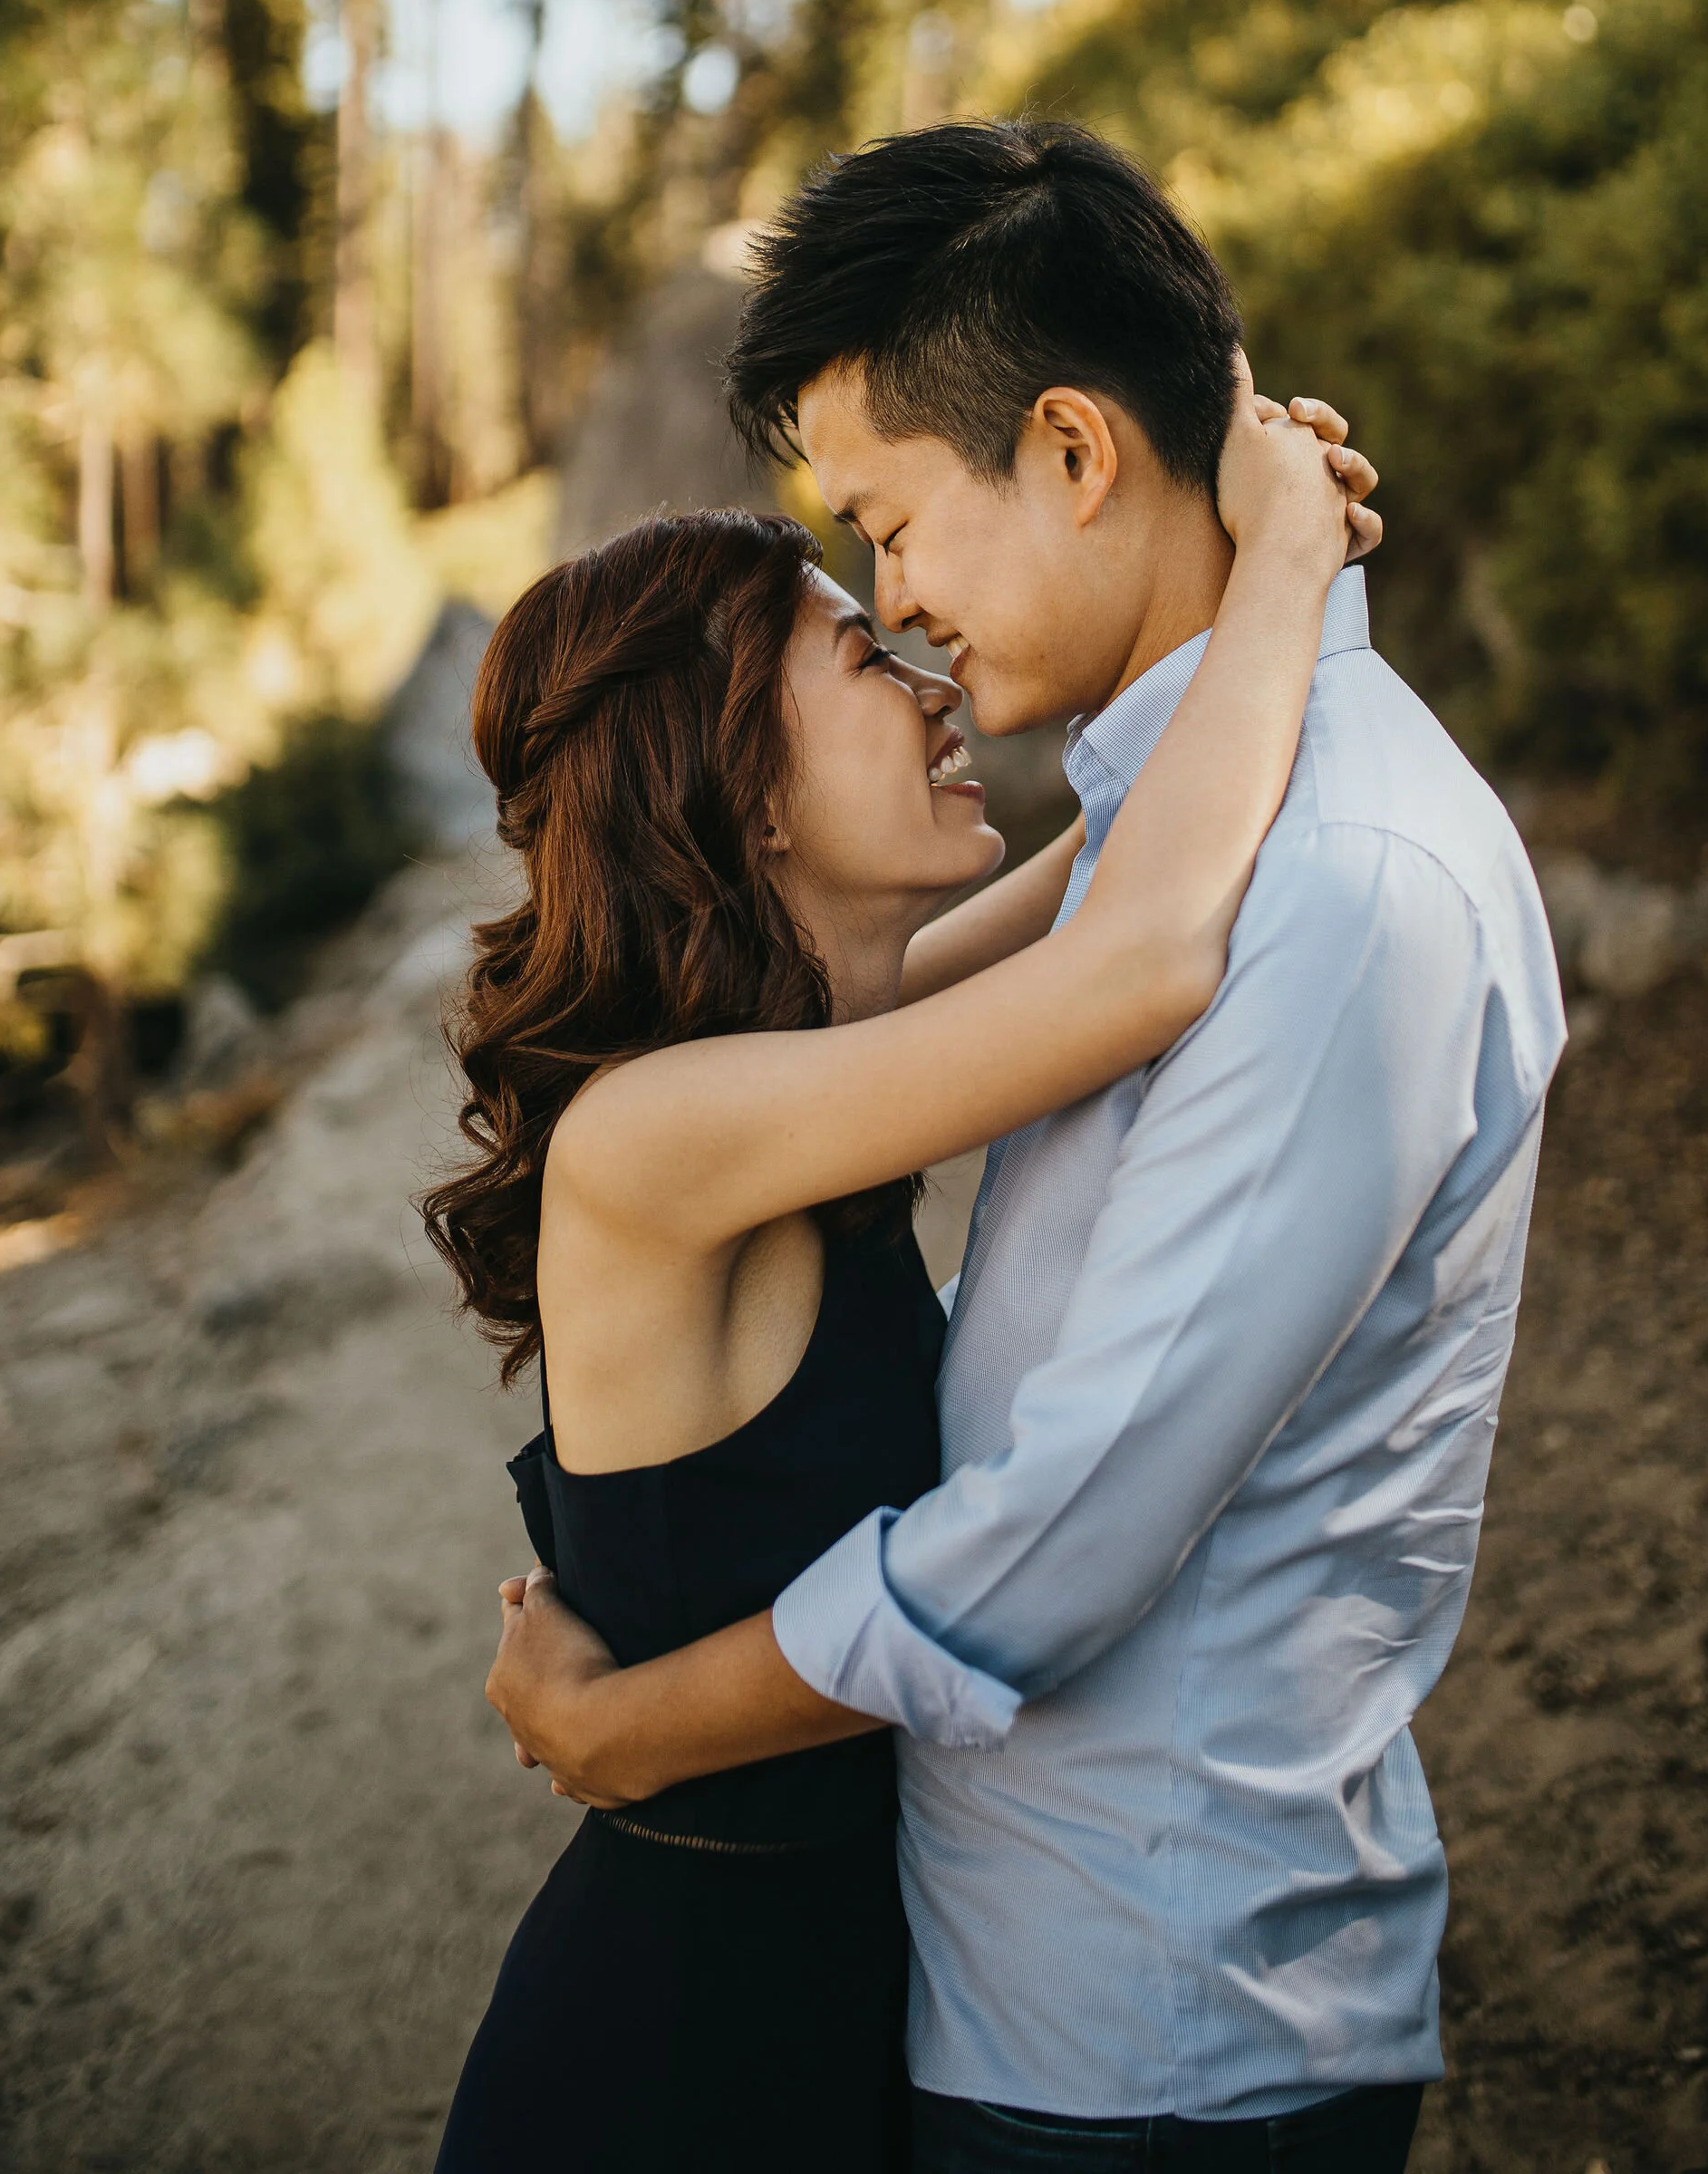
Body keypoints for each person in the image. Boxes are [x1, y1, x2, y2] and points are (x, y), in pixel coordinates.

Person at [484, 120, 1567, 2174]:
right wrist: (1277, 578)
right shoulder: (774, 1069)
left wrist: (627, 1725)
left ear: (1072, 453)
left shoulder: (1321, 883)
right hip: (935, 1998)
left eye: (888, 527)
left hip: (1142, 2024)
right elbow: (1123, 930)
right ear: (742, 797)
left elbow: (1050, 1543)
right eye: (847, 603)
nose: (900, 618)